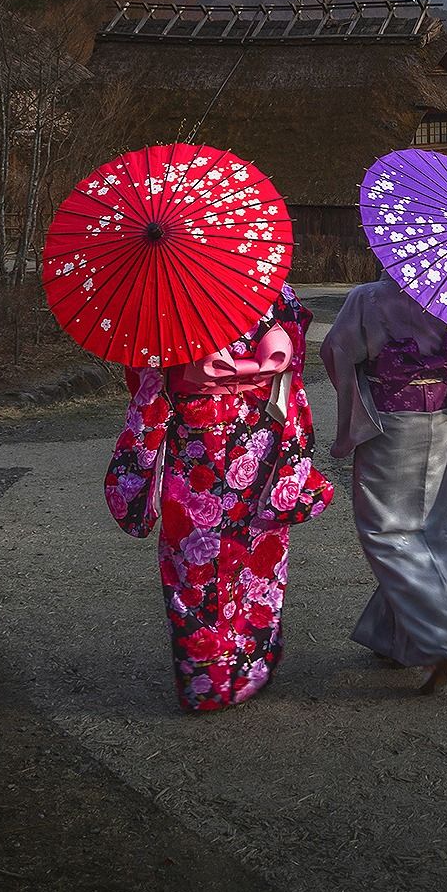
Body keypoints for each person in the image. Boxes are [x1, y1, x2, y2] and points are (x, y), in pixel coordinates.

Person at [103, 285, 332, 713]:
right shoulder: (273, 292)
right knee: (258, 559)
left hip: (198, 450)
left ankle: (207, 678)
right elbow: (292, 359)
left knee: (195, 562)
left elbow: (145, 381)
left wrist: (144, 447)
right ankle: (252, 663)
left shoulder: (162, 298)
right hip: (259, 443)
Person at [320, 273, 447, 693]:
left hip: (389, 426)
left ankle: (441, 637)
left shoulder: (369, 297)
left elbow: (337, 350)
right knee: (435, 528)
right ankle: (393, 639)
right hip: (438, 425)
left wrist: (360, 381)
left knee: (385, 529)